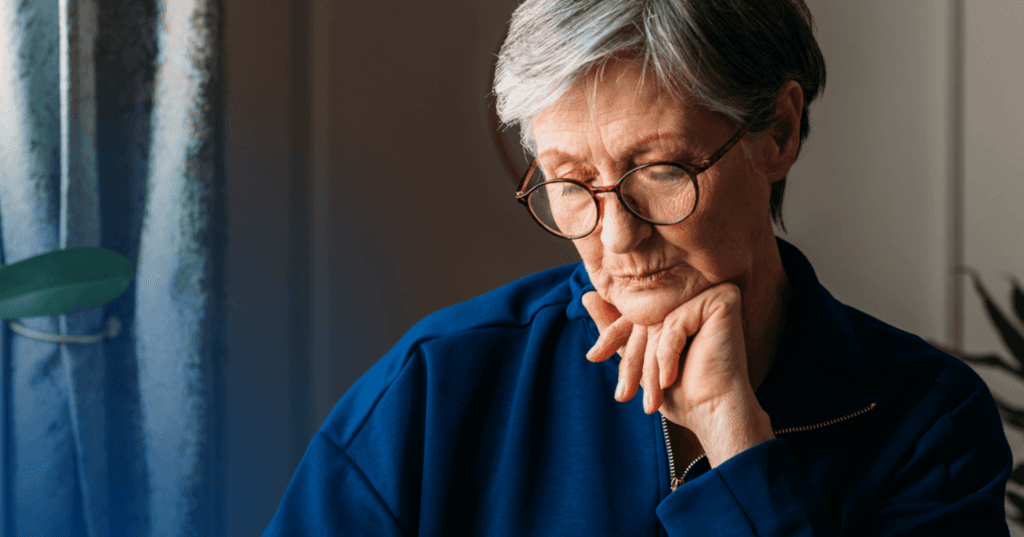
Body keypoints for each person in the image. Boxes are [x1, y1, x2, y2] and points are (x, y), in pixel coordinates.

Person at [264, 0, 1012, 535]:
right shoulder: (437, 386)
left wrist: (737, 446)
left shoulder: (931, 425)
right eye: (569, 183)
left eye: (659, 170)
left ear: (777, 133)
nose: (616, 237)